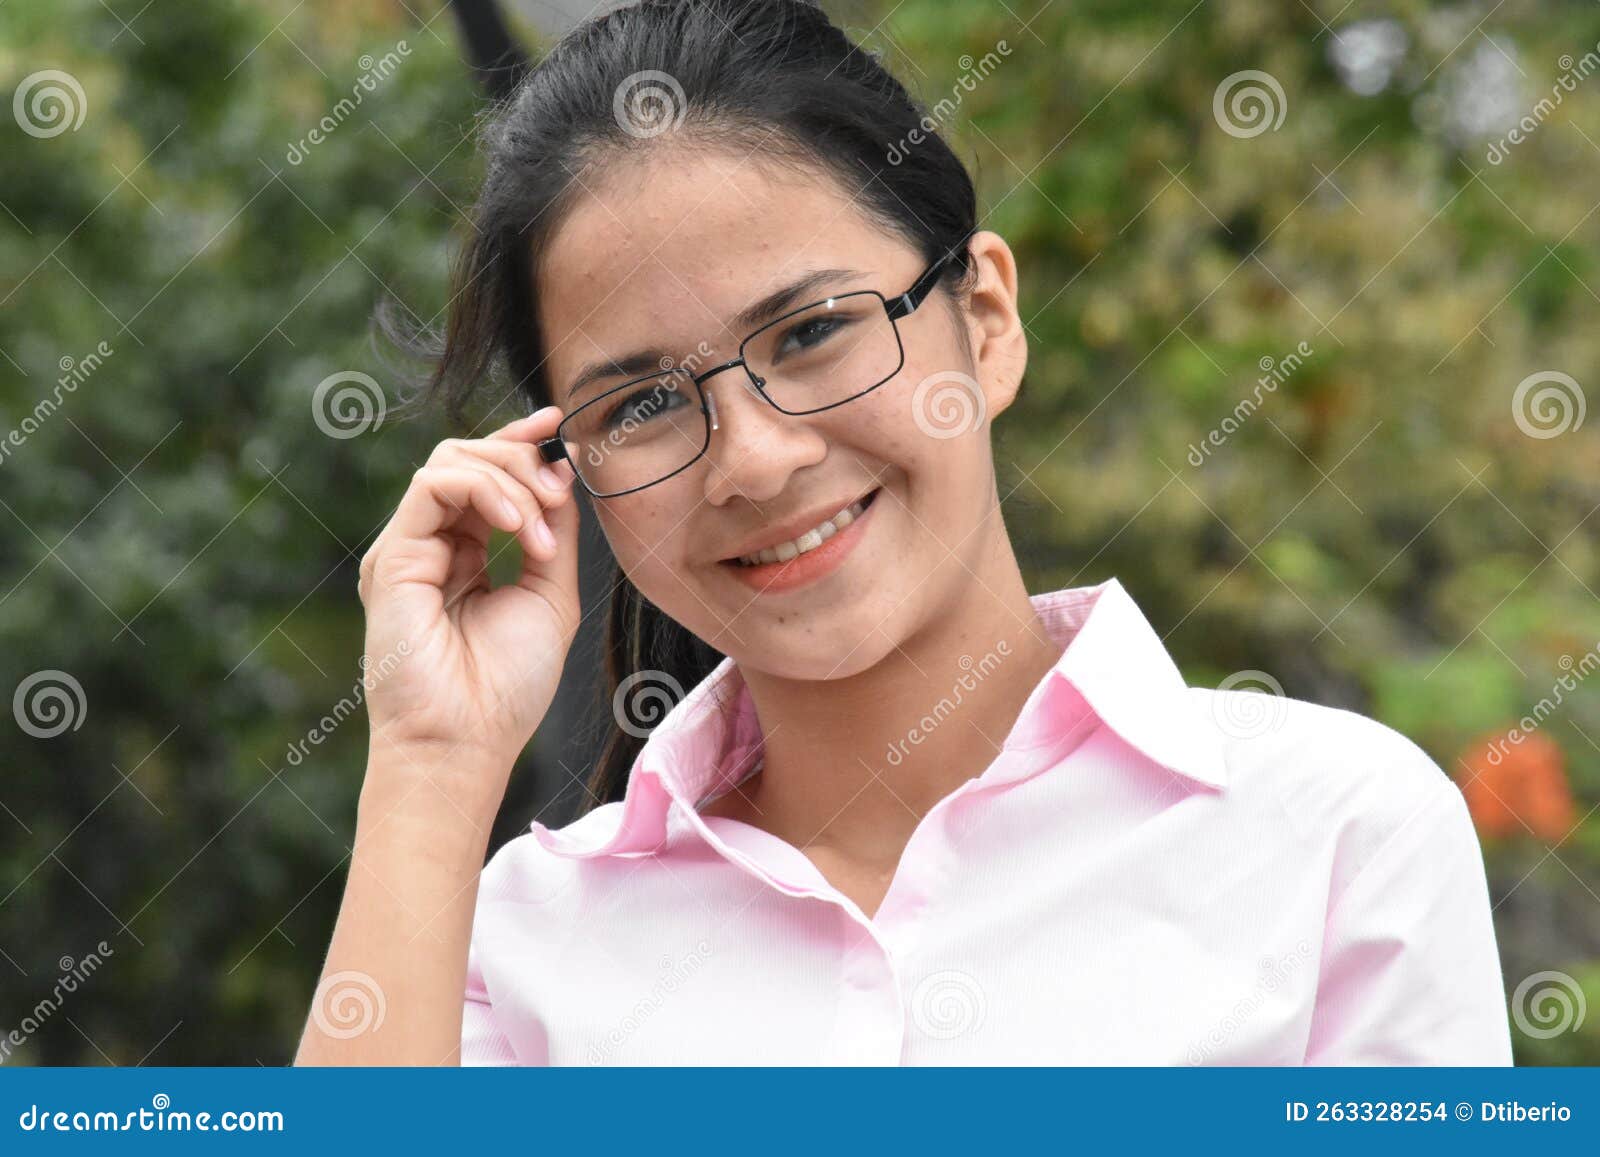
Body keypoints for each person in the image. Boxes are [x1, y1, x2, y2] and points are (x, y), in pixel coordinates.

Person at [295, 0, 1513, 1066]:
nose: (757, 456)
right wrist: (431, 763)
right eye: (646, 404)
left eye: (814, 330)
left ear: (983, 319)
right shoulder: (523, 941)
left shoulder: (1335, 834)